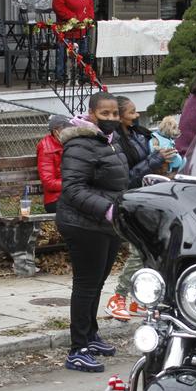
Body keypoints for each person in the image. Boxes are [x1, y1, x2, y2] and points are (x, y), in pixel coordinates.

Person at [55, 92, 128, 372]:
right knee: (86, 284)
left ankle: (91, 334)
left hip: (107, 222)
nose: (111, 119)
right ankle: (78, 349)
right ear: (91, 113)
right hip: (83, 223)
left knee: (98, 282)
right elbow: (72, 188)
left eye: (114, 114)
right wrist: (106, 209)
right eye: (104, 114)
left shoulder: (111, 141)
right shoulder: (80, 143)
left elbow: (117, 179)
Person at [105, 96, 175, 321]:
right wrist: (155, 159)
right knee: (137, 251)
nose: (136, 116)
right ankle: (118, 297)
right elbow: (127, 176)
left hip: (147, 198)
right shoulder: (116, 141)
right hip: (129, 200)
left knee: (148, 251)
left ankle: (137, 301)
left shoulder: (139, 134)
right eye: (132, 112)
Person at [52, 0, 95, 81]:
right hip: (67, 29)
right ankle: (62, 76)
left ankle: (81, 75)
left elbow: (90, 2)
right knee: (64, 54)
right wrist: (73, 18)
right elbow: (58, 6)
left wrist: (90, 17)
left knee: (82, 53)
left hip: (82, 28)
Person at [36, 114, 68, 214]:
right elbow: (48, 182)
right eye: (65, 129)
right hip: (55, 199)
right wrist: (71, 184)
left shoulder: (70, 144)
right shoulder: (46, 147)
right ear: (55, 131)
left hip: (73, 194)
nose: (69, 132)